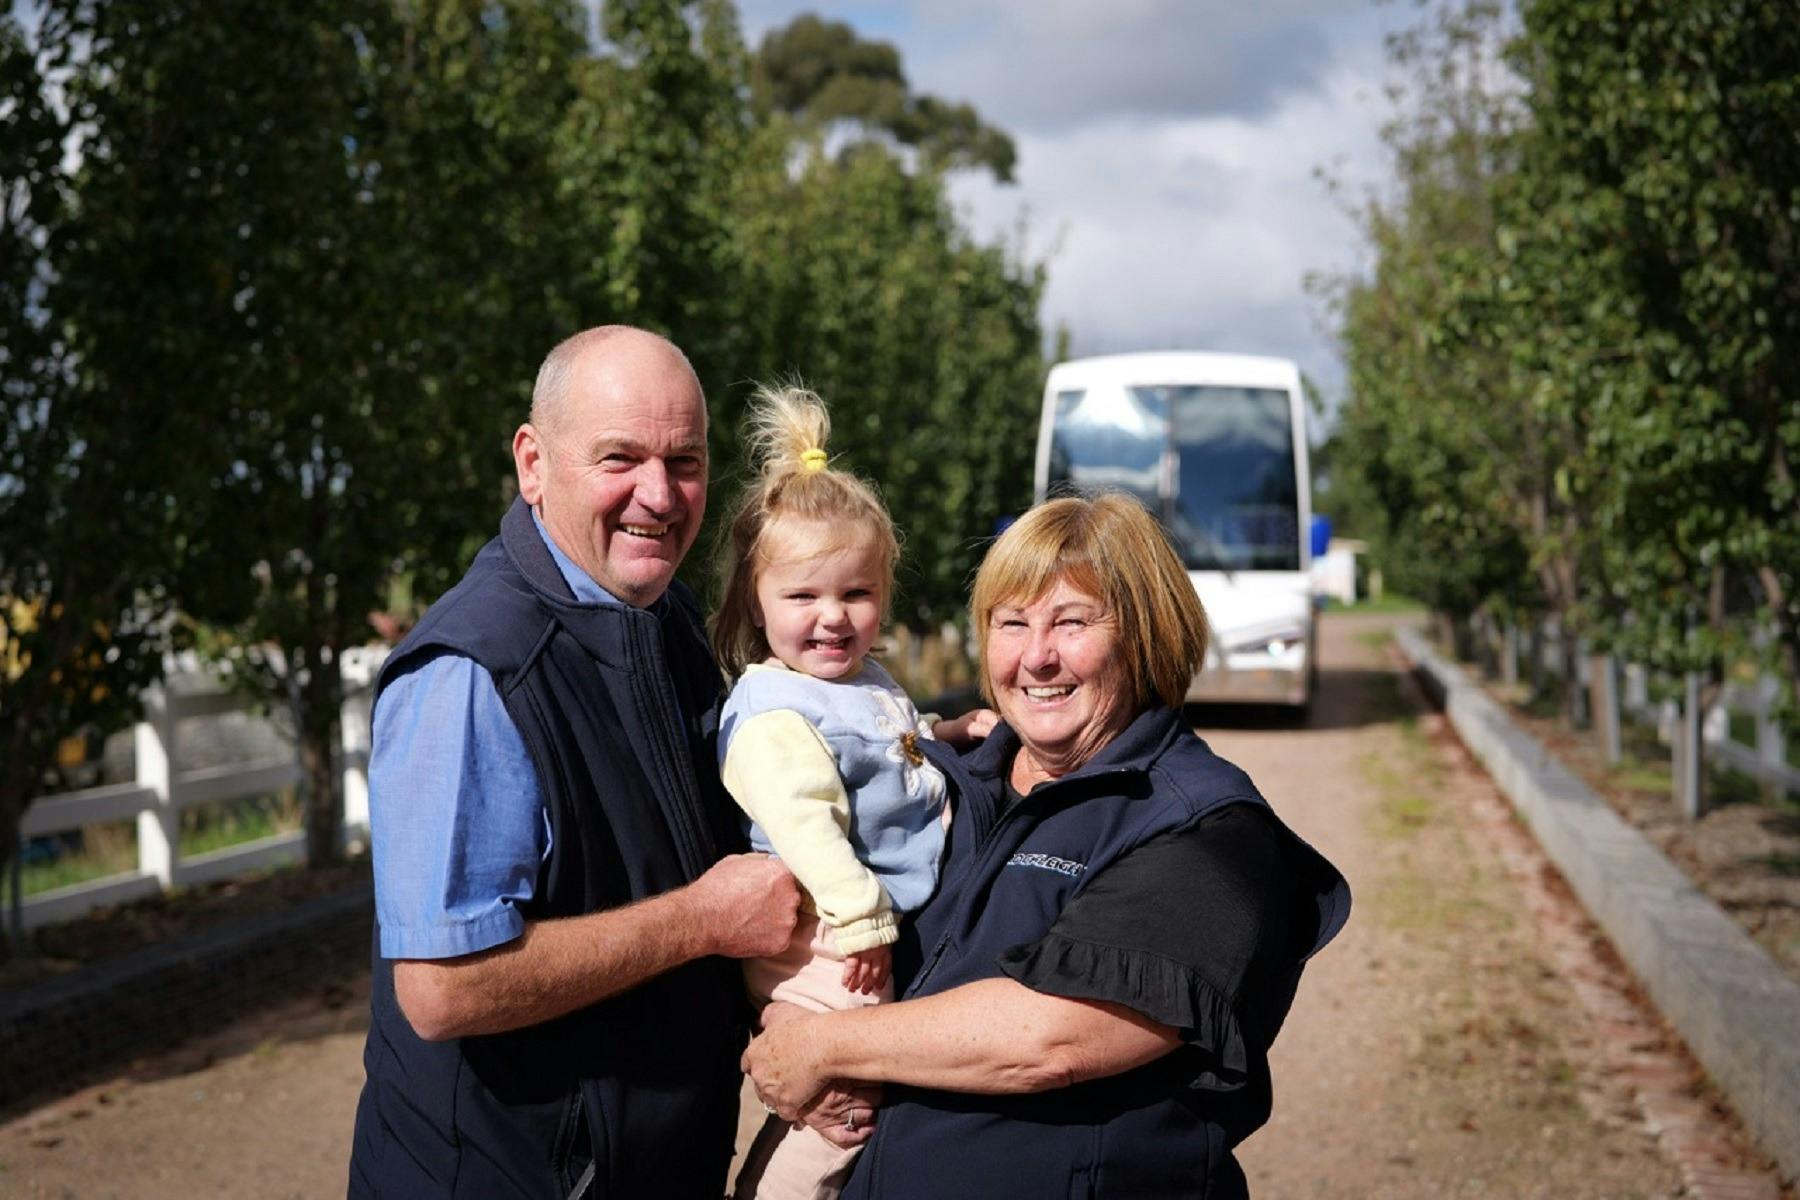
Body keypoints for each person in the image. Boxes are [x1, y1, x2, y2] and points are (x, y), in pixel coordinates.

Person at [743, 492, 1352, 1199]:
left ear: (1147, 635)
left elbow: (1053, 1037)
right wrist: (786, 1016)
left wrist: (821, 1048)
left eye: (1071, 622)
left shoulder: (1207, 830)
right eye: (1011, 623)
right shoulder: (936, 783)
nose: (1037, 657)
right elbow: (788, 912)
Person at [348, 327, 804, 1200]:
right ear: (533, 463)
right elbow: (443, 991)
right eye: (620, 459)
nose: (659, 495)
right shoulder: (474, 674)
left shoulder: (662, 619)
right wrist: (705, 923)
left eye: (686, 460)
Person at [709, 385, 994, 1200]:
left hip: (855, 926)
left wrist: (943, 734)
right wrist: (860, 914)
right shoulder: (773, 711)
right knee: (846, 1092)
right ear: (756, 605)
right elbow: (808, 825)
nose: (832, 618)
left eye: (855, 595)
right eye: (803, 597)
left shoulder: (855, 681)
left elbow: (882, 746)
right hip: (826, 936)